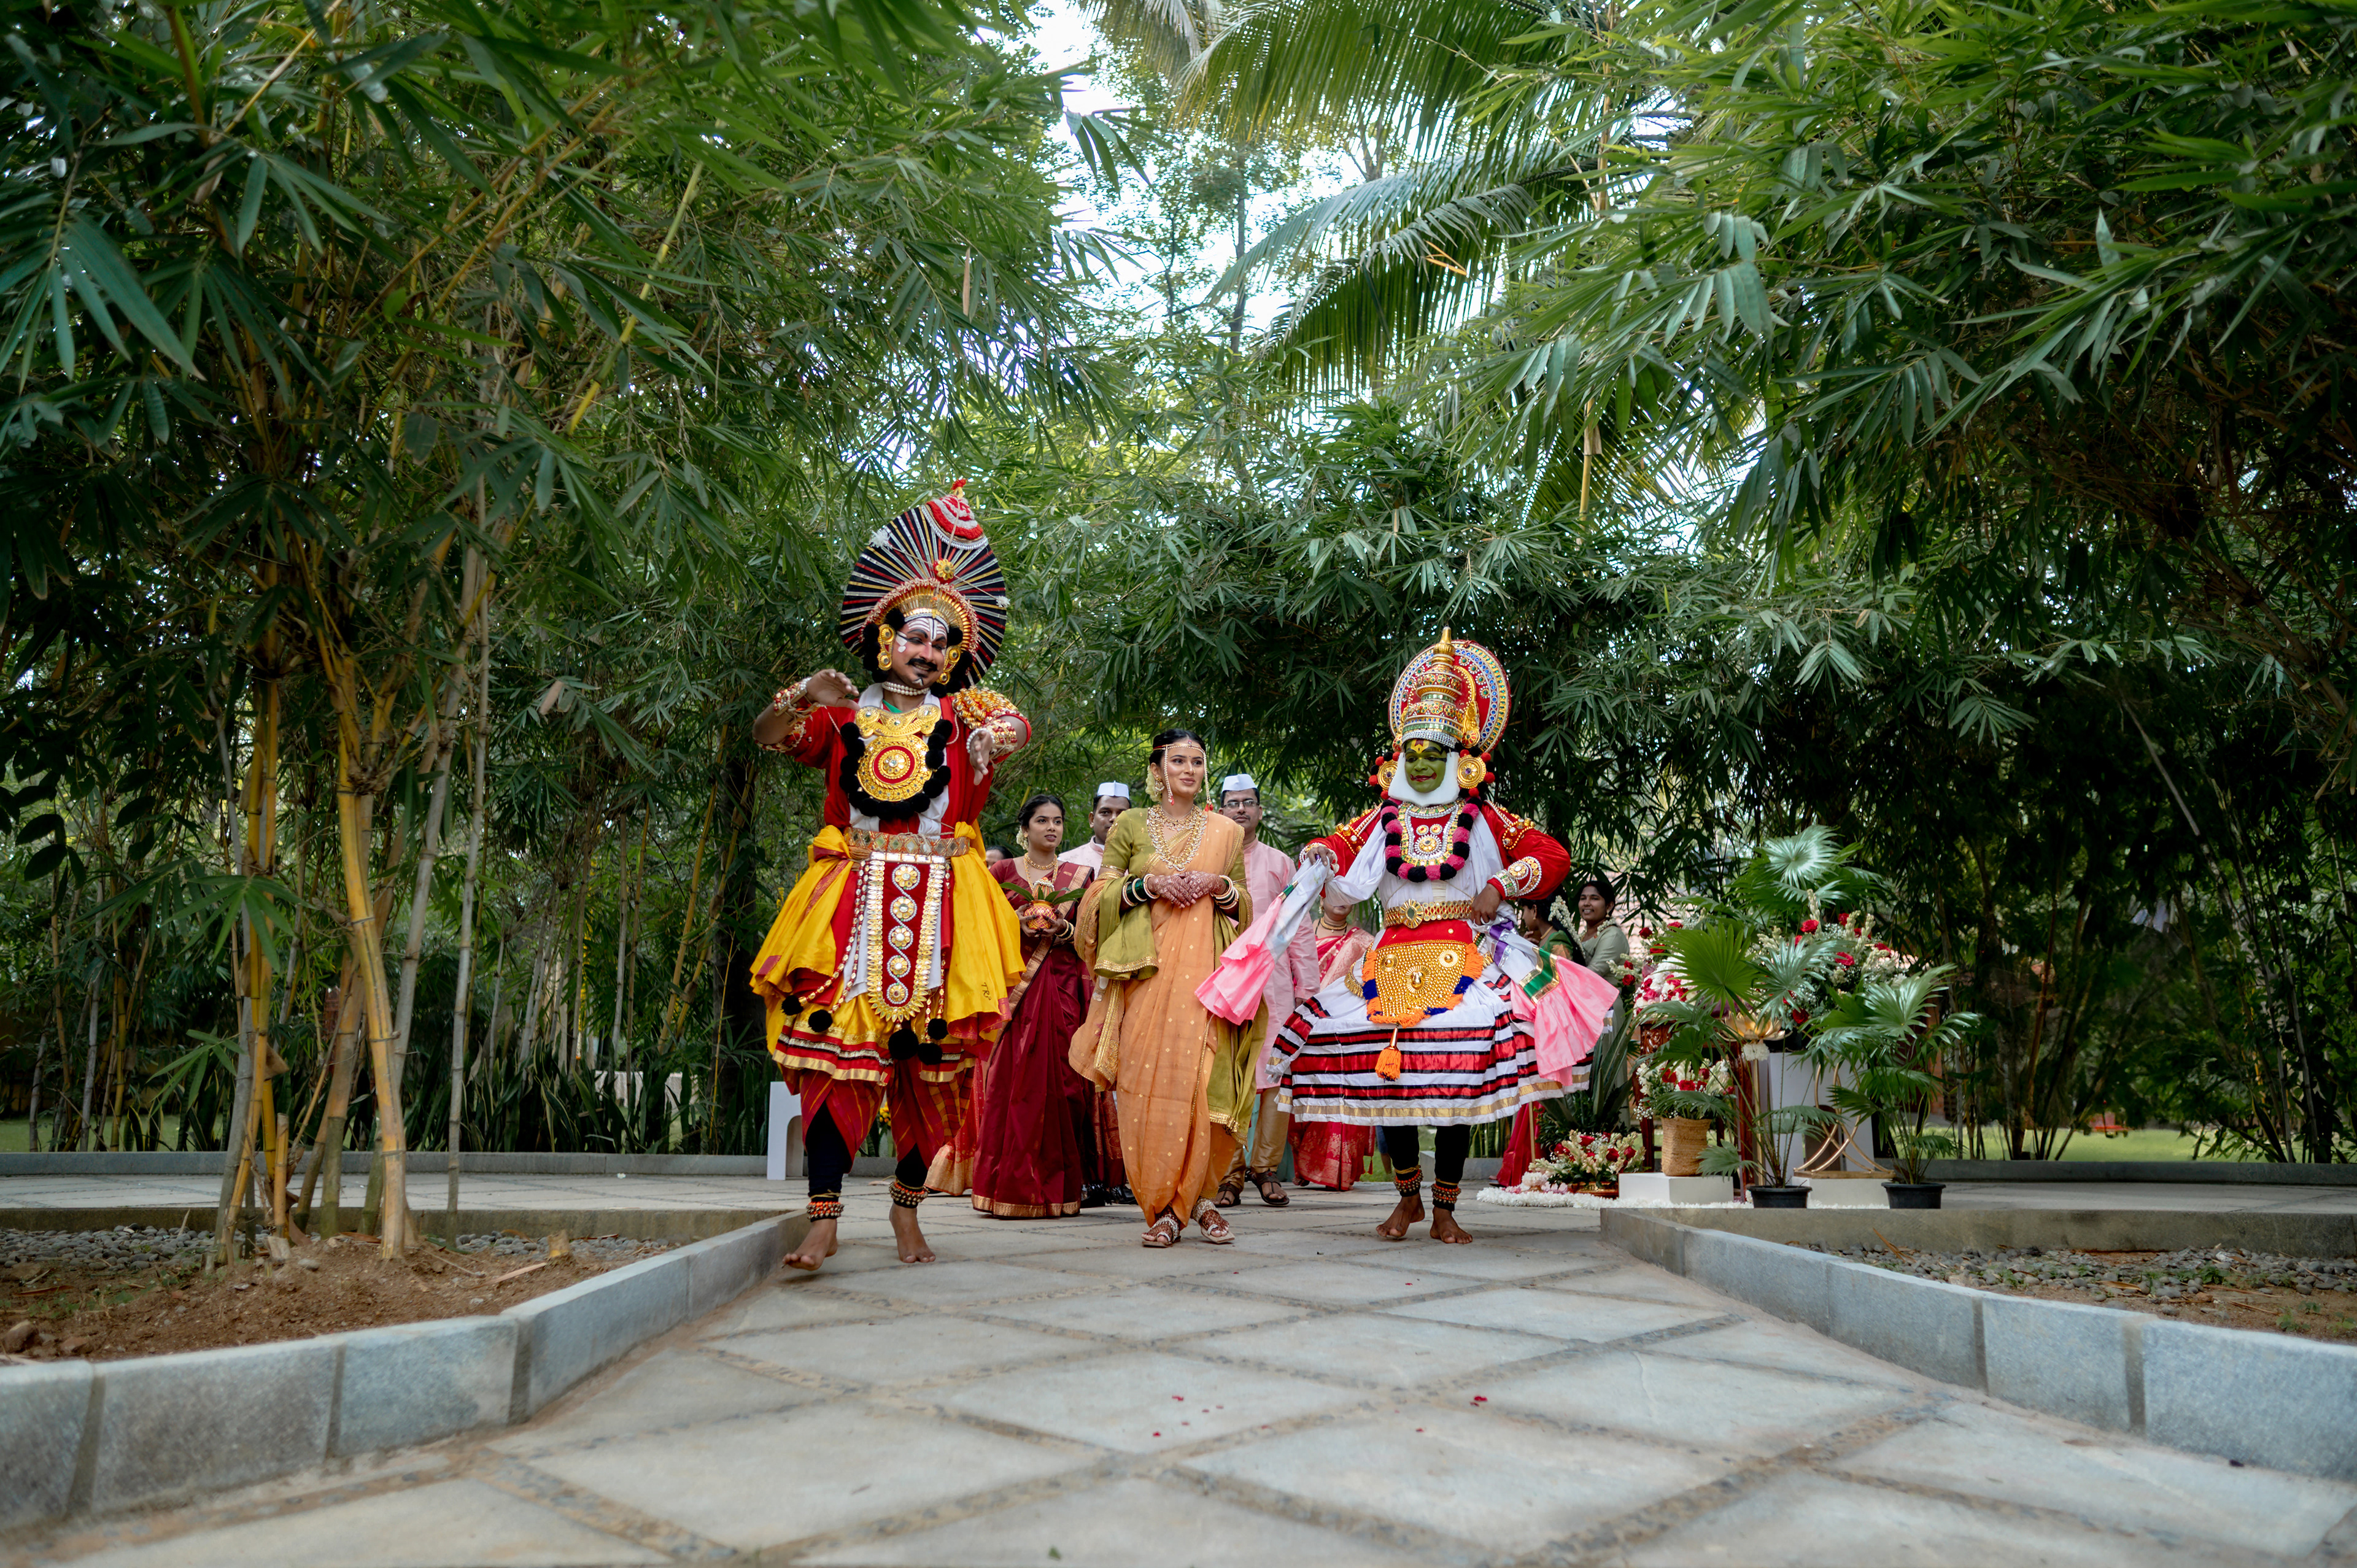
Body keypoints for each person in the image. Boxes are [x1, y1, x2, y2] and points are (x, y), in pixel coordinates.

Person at [747, 485, 1030, 1272]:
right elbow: (767, 733)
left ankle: (907, 1210)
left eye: (942, 643)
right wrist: (802, 694)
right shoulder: (842, 718)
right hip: (852, 899)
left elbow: (1014, 727)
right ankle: (824, 1219)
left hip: (945, 904)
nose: (927, 652)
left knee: (933, 1067)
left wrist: (1000, 733)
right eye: (915, 636)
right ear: (885, 640)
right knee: (834, 1058)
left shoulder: (964, 721)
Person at [1274, 631, 1573, 1244]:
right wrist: (1319, 852)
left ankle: (1445, 1207)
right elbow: (1337, 845)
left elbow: (1552, 855)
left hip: (1463, 957)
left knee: (1456, 1082)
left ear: (1461, 758)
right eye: (1411, 752)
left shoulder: (1483, 816)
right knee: (1391, 1083)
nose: (1420, 763)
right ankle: (1408, 1199)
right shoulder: (1382, 818)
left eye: (1433, 752)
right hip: (1390, 961)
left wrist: (1502, 883)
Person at [1068, 730, 1253, 1247]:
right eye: (1178, 761)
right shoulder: (1129, 824)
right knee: (1146, 1085)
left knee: (1207, 1081)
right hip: (1145, 977)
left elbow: (1245, 905)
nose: (1190, 770)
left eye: (1197, 761)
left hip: (1207, 977)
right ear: (1157, 770)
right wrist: (1146, 885)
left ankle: (1202, 1200)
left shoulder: (1225, 831)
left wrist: (1218, 886)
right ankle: (1163, 1207)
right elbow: (1097, 898)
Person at [961, 794, 1097, 1218]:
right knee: (1011, 1085)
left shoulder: (1080, 876)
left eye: (1057, 821)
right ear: (1025, 829)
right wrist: (1015, 924)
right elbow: (980, 927)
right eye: (1042, 821)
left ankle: (1059, 1189)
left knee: (1064, 1088)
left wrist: (1064, 927)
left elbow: (1091, 934)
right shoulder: (1001, 873)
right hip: (1015, 990)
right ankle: (1007, 1186)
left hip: (1063, 989)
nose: (1051, 828)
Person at [1211, 773, 1319, 1207]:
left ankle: (1266, 1169)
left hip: (1272, 983)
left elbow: (1300, 927)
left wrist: (1306, 988)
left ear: (1259, 810)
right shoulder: (1209, 859)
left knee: (1275, 1073)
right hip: (1222, 981)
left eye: (1247, 803)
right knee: (1224, 1074)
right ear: (1220, 810)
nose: (1240, 809)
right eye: (1232, 803)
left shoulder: (1279, 862)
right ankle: (1228, 1173)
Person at [1287, 906, 1379, 1190]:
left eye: (1348, 895)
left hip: (1344, 1034)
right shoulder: (1301, 935)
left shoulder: (1364, 942)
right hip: (1304, 1027)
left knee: (1342, 1100)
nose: (1342, 901)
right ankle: (1306, 1167)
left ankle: (1338, 1172)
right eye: (1336, 892)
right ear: (1323, 895)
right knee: (1308, 1097)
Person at [1059, 783, 1131, 873]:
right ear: (1092, 820)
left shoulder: (1143, 862)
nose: (1114, 818)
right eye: (1105, 812)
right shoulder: (1065, 863)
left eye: (1122, 814)